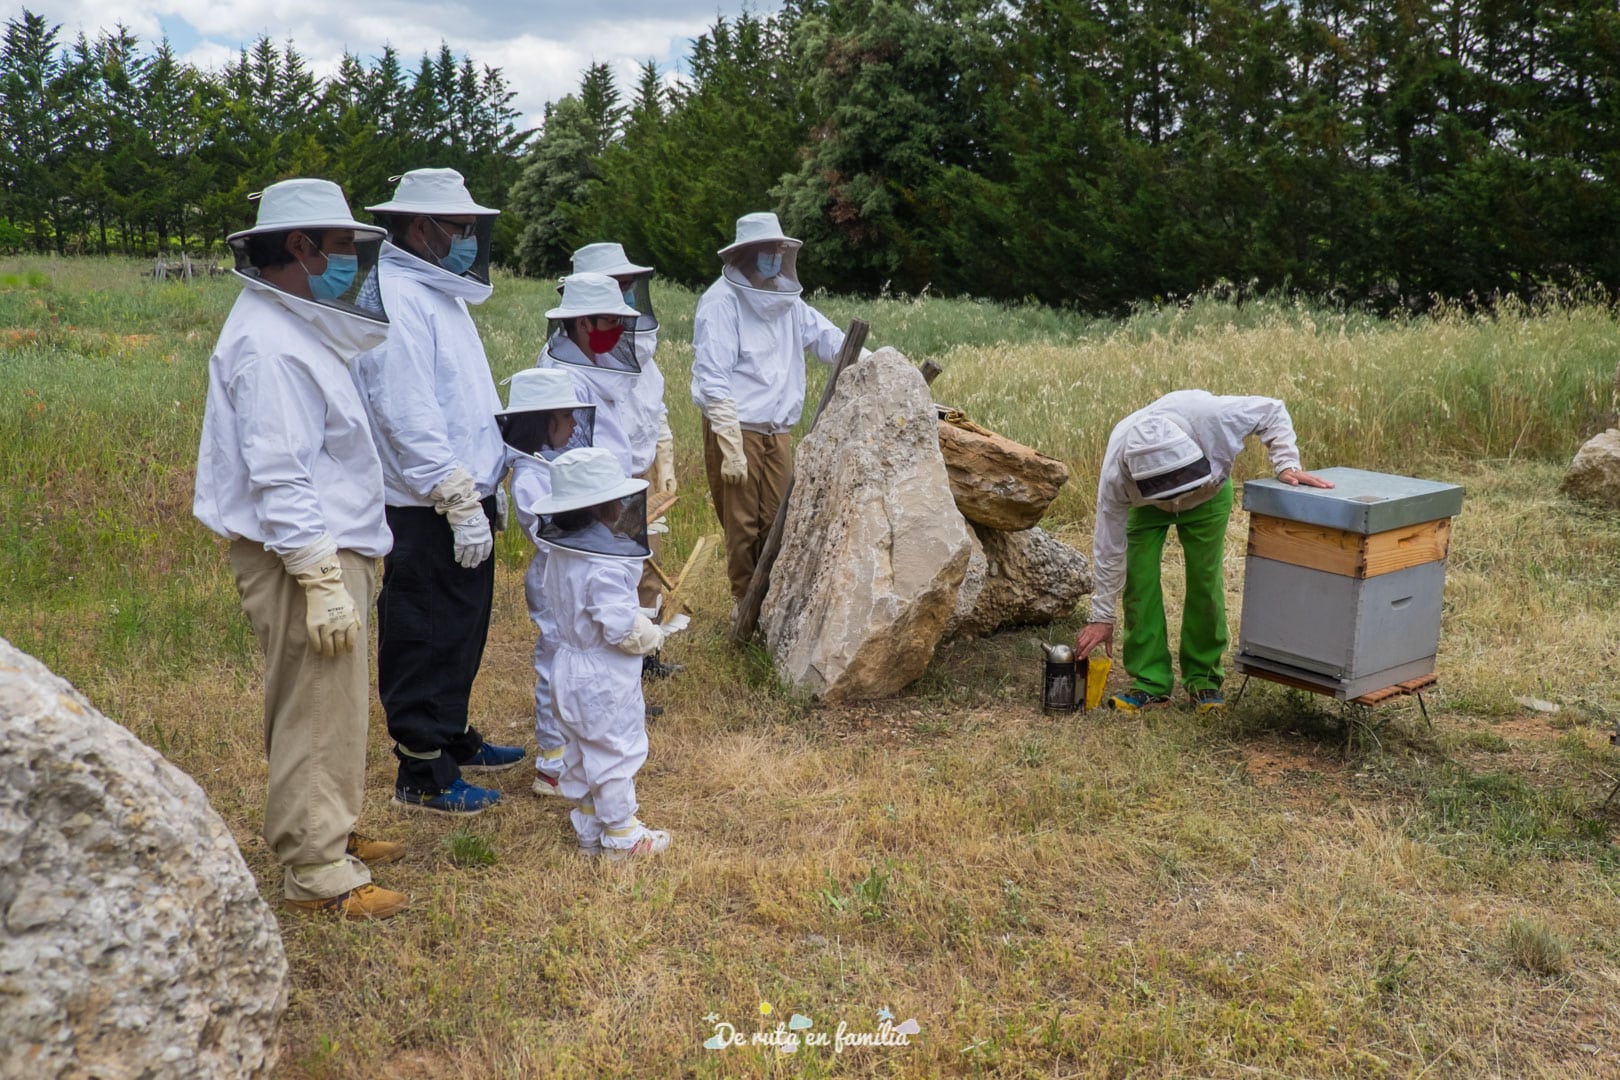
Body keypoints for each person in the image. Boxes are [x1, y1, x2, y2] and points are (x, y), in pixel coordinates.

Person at [194, 178, 408, 920]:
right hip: (301, 553)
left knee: (331, 702)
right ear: (299, 247)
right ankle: (315, 867)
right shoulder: (269, 343)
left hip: (323, 545)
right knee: (316, 703)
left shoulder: (291, 328)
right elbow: (278, 471)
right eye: (344, 246)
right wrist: (318, 575)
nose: (351, 260)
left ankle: (330, 830)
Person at [351, 168, 523, 816]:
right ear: (420, 228)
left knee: (460, 628)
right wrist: (452, 493)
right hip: (425, 505)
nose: (467, 240)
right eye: (459, 228)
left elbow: (462, 397)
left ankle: (451, 736)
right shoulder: (395, 293)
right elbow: (404, 410)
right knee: (423, 630)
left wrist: (487, 482)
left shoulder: (437, 292)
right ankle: (421, 769)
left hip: (460, 495)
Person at [1074, 390, 1333, 713]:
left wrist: (1286, 463)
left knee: (1205, 581)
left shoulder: (1213, 416)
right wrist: (1102, 616)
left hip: (1208, 496)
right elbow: (1109, 547)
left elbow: (1272, 411)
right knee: (1139, 583)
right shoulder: (1116, 471)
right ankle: (1151, 683)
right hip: (1146, 508)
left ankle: (1204, 680)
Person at [527, 447, 685, 860]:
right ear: (602, 508)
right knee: (614, 748)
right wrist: (653, 634)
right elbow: (618, 628)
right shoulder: (604, 563)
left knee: (580, 747)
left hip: (567, 664)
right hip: (601, 672)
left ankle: (589, 826)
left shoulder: (562, 553)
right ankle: (622, 836)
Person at [690, 212, 853, 603]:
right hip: (738, 428)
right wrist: (728, 440)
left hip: (777, 431)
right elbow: (713, 375)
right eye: (767, 250)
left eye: (779, 249)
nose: (774, 257)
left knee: (778, 521)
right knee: (742, 525)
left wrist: (874, 358)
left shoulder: (787, 302)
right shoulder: (720, 303)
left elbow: (829, 340)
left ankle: (771, 607)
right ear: (746, 254)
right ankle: (744, 609)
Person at [567, 243, 681, 674]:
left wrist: (665, 458)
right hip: (602, 484)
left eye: (630, 286)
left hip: (639, 473)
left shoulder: (634, 348)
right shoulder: (570, 357)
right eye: (618, 287)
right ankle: (617, 666)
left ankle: (646, 658)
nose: (626, 296)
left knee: (642, 571)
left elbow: (655, 407)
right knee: (607, 580)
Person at [500, 367, 596, 798]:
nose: (575, 426)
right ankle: (551, 761)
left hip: (565, 575)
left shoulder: (545, 465)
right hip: (551, 578)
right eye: (566, 417)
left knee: (572, 660)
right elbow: (549, 530)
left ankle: (570, 750)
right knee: (555, 662)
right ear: (544, 422)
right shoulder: (529, 476)